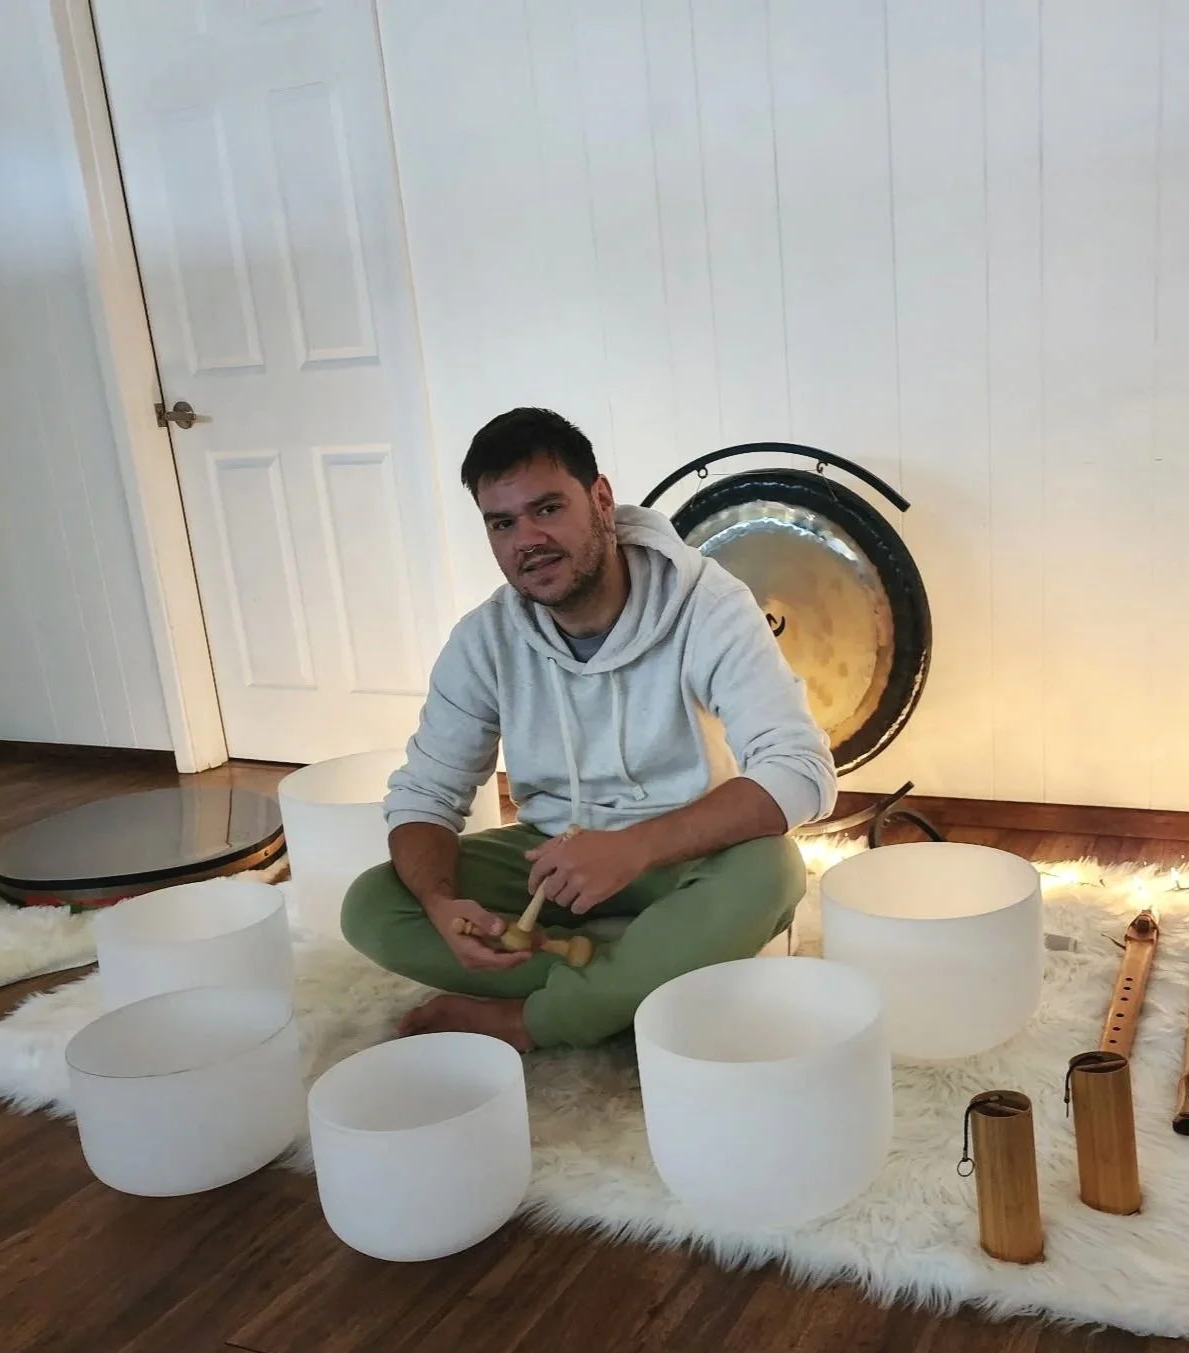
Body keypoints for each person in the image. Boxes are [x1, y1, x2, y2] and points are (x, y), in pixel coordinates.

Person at [340, 408, 836, 1051]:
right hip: (550, 865)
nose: (527, 540)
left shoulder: (707, 604)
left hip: (683, 857)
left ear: (600, 500)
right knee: (376, 905)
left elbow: (799, 770)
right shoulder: (483, 639)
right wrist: (438, 902)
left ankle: (540, 1018)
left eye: (547, 509)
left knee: (772, 871)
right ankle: (634, 980)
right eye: (502, 522)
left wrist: (632, 849)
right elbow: (424, 796)